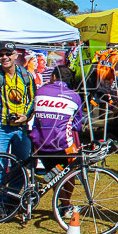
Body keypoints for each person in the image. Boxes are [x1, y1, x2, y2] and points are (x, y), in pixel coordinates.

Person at [29, 65, 83, 218]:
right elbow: (77, 125)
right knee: (71, 170)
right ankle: (65, 206)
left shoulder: (40, 91)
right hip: (62, 144)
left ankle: (61, 203)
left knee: (54, 174)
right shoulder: (74, 96)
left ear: (53, 77)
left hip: (39, 143)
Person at [0, 42, 36, 198]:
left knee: (21, 164)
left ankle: (13, 198)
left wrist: (26, 117)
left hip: (21, 127)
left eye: (8, 54)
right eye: (1, 54)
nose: (4, 57)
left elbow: (33, 99)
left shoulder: (26, 76)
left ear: (15, 55)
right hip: (0, 126)